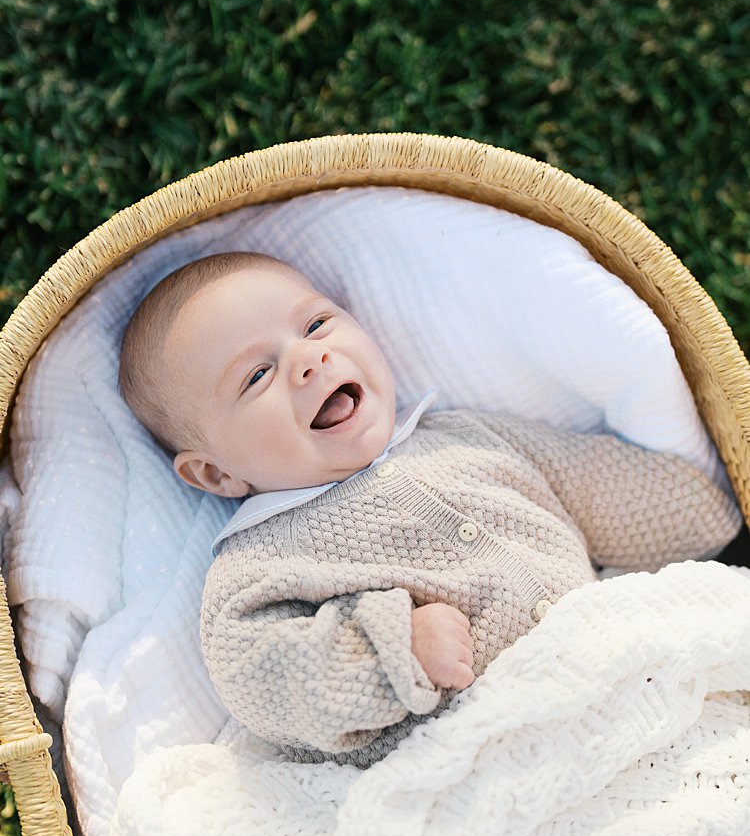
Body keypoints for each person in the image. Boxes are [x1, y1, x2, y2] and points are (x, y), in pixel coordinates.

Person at [119, 251, 742, 767]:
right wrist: (393, 650)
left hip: (616, 676)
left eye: (315, 327)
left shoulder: (465, 437)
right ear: (216, 472)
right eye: (256, 376)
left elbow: (595, 486)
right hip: (473, 759)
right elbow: (262, 676)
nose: (309, 359)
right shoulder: (260, 562)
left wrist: (718, 518)